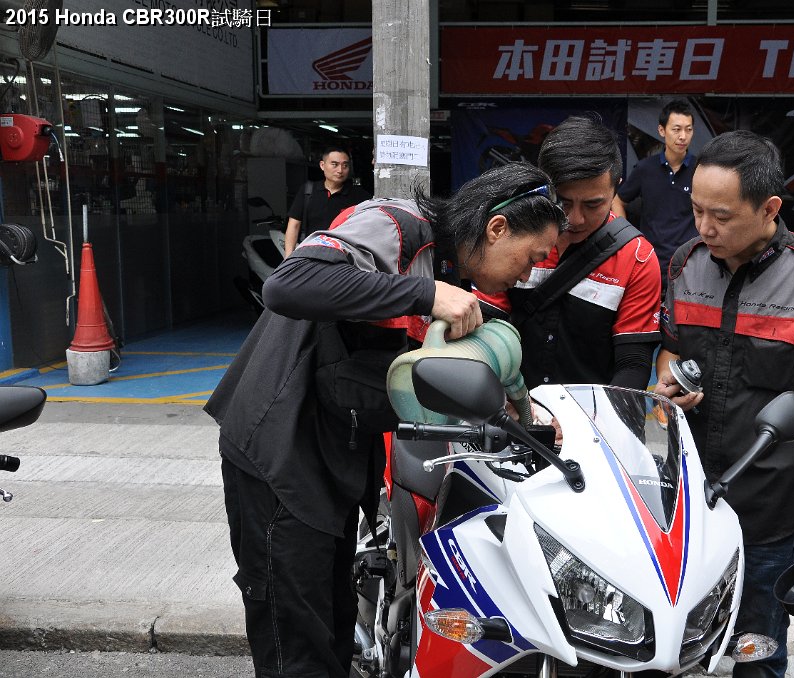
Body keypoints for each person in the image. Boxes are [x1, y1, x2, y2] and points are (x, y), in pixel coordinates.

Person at [205, 161, 565, 678]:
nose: (528, 274)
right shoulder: (397, 225)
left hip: (336, 456)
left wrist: (521, 411)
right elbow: (288, 285)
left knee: (334, 626)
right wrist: (427, 294)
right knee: (296, 644)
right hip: (279, 451)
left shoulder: (452, 277)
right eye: (531, 258)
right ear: (497, 228)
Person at [653, 130, 794, 677]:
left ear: (769, 208)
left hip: (768, 506)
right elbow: (670, 350)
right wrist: (668, 382)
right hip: (685, 500)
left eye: (721, 216)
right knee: (668, 643)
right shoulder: (684, 264)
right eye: (697, 210)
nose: (704, 228)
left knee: (757, 646)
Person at [476, 116, 661, 390]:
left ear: (616, 189)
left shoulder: (637, 259)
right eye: (562, 202)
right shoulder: (509, 234)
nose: (575, 219)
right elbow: (484, 329)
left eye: (592, 205)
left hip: (593, 414)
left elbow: (633, 364)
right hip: (509, 406)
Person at [612, 100, 698, 289]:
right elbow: (618, 201)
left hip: (690, 263)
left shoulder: (700, 170)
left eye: (688, 130)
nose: (683, 136)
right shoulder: (645, 169)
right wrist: (628, 239)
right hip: (651, 262)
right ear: (661, 130)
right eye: (676, 129)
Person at [284, 147, 371, 256]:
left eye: (345, 165)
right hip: (310, 254)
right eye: (335, 164)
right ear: (322, 165)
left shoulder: (359, 196)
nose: (340, 170)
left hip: (345, 257)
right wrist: (288, 258)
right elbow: (294, 225)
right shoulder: (308, 191)